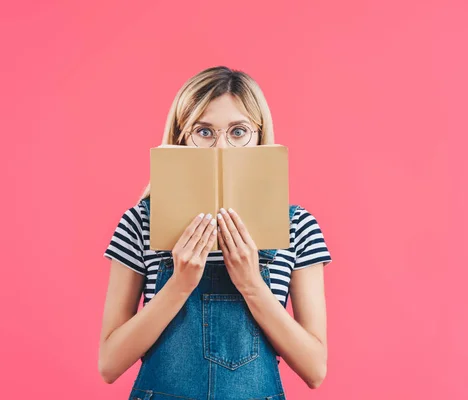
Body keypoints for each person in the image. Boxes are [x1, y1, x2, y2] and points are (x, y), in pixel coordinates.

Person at [98, 66, 332, 399]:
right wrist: (179, 284)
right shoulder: (140, 222)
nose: (221, 147)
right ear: (181, 137)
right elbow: (109, 363)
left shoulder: (298, 227)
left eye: (238, 132)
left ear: (259, 135)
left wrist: (251, 284)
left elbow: (315, 370)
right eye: (204, 132)